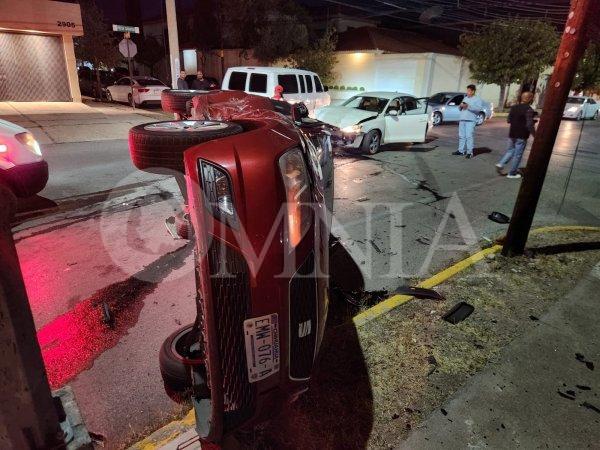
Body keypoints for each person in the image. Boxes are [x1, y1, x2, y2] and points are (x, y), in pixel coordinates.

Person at [495, 91, 536, 179]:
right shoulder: (529, 109)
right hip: (522, 135)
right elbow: (529, 125)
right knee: (517, 154)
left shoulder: (513, 107)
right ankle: (512, 173)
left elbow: (508, 120)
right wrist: (535, 135)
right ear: (529, 99)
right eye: (532, 98)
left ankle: (501, 164)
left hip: (512, 133)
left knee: (510, 150)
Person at [452, 84, 484, 159]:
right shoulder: (465, 98)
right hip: (462, 119)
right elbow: (460, 109)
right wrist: (460, 106)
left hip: (470, 120)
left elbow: (478, 109)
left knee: (469, 136)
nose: (468, 92)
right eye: (467, 90)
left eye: (469, 91)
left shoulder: (477, 99)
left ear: (473, 91)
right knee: (461, 136)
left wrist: (468, 106)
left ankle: (470, 152)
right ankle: (461, 151)